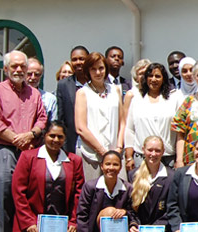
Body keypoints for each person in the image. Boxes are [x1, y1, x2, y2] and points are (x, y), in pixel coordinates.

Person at [0, 50, 48, 232]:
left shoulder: (34, 93)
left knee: (27, 198)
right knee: (4, 198)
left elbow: (42, 117)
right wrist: (17, 139)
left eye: (22, 66)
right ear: (6, 69)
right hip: (5, 150)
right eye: (14, 66)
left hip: (29, 150)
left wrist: (31, 135)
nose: (19, 70)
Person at [11, 121, 83, 232]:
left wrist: (73, 221)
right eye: (52, 136)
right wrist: (28, 222)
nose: (56, 140)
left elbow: (78, 194)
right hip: (33, 224)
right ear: (44, 136)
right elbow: (18, 191)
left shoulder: (74, 161)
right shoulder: (28, 157)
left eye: (60, 137)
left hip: (60, 224)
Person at [74, 52, 125, 181]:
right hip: (91, 154)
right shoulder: (82, 93)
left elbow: (122, 121)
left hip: (115, 153)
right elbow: (80, 128)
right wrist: (102, 151)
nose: (98, 72)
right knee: (94, 193)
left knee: (121, 191)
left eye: (101, 68)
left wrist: (118, 147)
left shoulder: (116, 90)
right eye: (93, 69)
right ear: (88, 71)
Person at [76, 150, 132, 232]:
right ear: (101, 166)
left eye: (115, 164)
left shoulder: (128, 188)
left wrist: (124, 211)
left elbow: (134, 213)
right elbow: (82, 215)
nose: (111, 168)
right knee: (109, 212)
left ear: (120, 167)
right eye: (107, 164)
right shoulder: (90, 186)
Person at [127, 136, 174, 232]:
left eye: (157, 151)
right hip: (141, 230)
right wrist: (133, 224)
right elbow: (129, 208)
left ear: (163, 152)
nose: (153, 154)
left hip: (161, 230)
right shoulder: (133, 175)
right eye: (150, 150)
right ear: (143, 150)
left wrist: (156, 229)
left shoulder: (171, 177)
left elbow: (172, 209)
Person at [124, 63, 178, 171]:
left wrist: (178, 158)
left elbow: (178, 130)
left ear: (164, 78)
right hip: (142, 157)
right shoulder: (137, 100)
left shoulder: (173, 99)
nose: (153, 79)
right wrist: (129, 157)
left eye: (157, 76)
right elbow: (129, 130)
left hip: (168, 158)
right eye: (150, 76)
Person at [56, 45, 90, 153]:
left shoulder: (97, 83)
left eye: (81, 59)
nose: (78, 62)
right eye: (74, 59)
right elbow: (61, 118)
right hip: (72, 145)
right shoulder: (63, 85)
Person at [26, 58, 58, 122]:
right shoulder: (15, 96)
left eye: (37, 74)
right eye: (29, 74)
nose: (33, 77)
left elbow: (53, 124)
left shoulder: (50, 99)